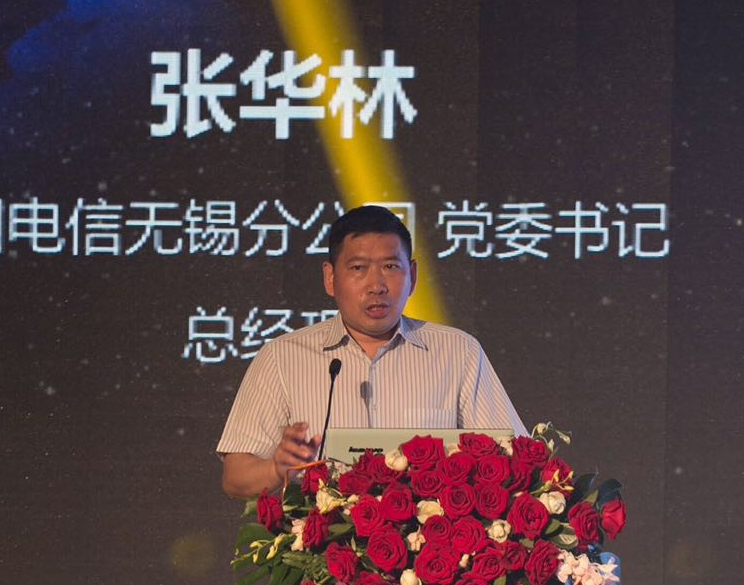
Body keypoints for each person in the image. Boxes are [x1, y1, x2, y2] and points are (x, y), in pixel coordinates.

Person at [218, 204, 525, 499]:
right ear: (330, 278)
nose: (376, 285)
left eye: (390, 267)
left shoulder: (458, 353)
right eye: (358, 268)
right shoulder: (282, 358)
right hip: (319, 536)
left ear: (412, 275)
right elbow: (235, 477)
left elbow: (518, 460)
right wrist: (276, 469)